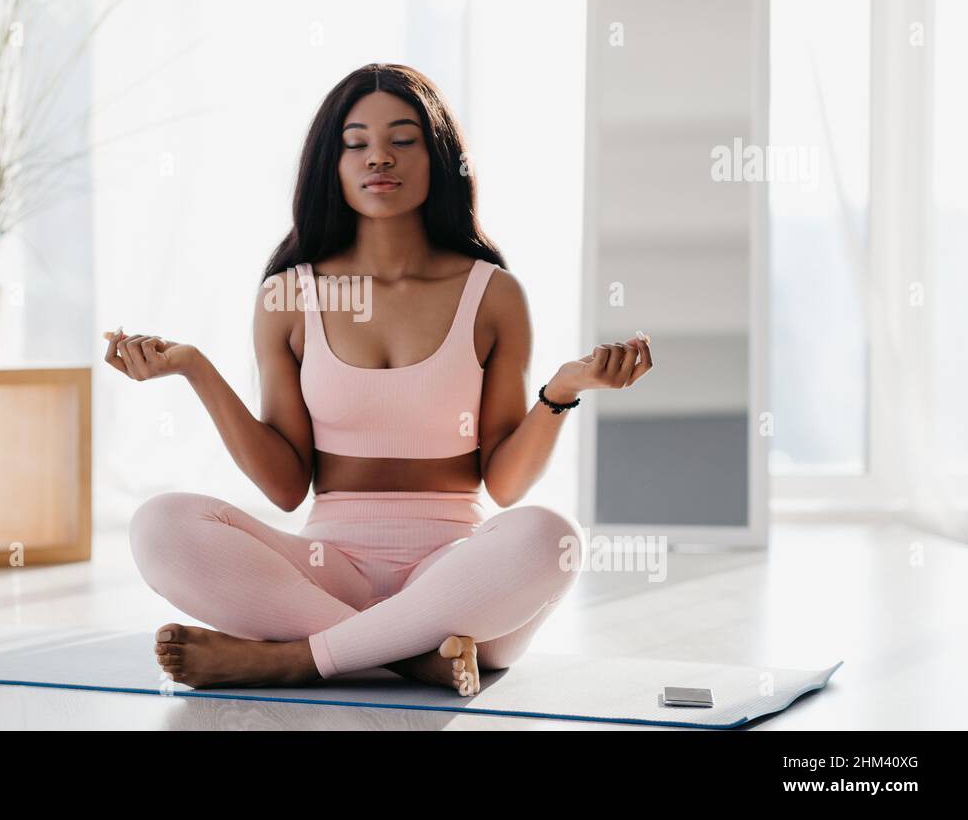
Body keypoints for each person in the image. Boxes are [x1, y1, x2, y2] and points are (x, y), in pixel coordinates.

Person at [106, 63, 652, 695]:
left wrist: (562, 391)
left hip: (460, 581)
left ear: (438, 157)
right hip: (327, 572)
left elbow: (504, 485)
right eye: (356, 142)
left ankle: (290, 660)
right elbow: (286, 487)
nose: (379, 158)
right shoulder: (289, 296)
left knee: (552, 537)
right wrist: (194, 369)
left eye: (403, 139)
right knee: (158, 525)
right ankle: (412, 657)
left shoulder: (493, 295)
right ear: (330, 165)